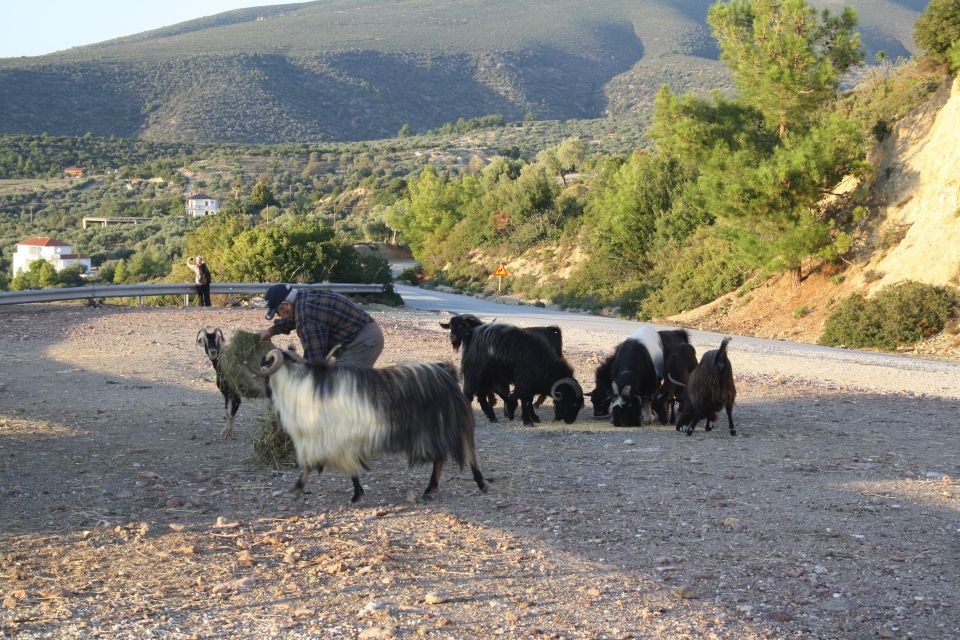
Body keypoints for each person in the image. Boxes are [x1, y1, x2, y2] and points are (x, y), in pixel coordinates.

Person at [259, 283, 383, 367]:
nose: (279, 316)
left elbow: (315, 360)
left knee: (341, 385)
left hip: (363, 342)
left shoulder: (307, 317)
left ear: (286, 304)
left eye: (277, 312)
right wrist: (270, 331)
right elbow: (292, 319)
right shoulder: (302, 298)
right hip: (363, 334)